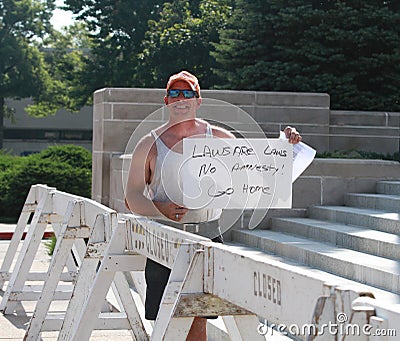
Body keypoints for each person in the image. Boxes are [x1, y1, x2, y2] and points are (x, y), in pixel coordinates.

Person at [125, 70, 302, 340]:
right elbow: (132, 196)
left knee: (199, 317)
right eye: (175, 93)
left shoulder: (220, 139)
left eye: (188, 93)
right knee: (167, 320)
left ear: (198, 100)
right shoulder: (149, 144)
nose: (181, 98)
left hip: (207, 235)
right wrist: (159, 207)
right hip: (165, 238)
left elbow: (256, 173)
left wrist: (284, 144)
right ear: (166, 100)